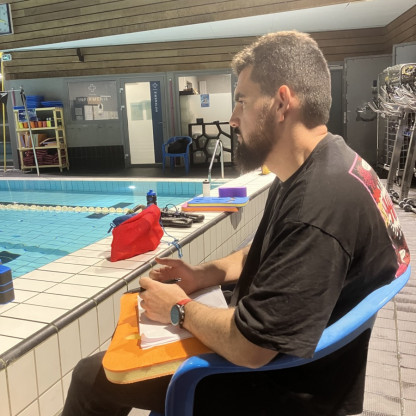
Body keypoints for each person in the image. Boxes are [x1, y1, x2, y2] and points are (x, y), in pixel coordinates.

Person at [62, 31, 409, 416]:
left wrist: (179, 309)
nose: (232, 118)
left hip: (281, 383)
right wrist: (203, 275)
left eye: (242, 100)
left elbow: (251, 348)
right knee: (134, 327)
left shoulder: (319, 203)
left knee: (92, 377)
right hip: (290, 349)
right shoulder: (323, 164)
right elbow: (269, 253)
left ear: (281, 103)